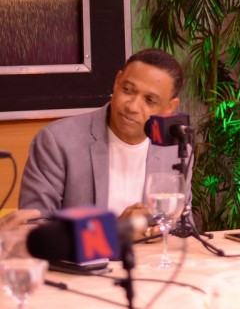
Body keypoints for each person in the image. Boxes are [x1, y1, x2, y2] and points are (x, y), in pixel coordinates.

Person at [19, 48, 190, 231]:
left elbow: (184, 227)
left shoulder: (176, 150)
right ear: (117, 81)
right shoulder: (58, 141)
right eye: (128, 90)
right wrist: (114, 232)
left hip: (153, 251)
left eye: (149, 100)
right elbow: (34, 230)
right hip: (84, 251)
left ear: (169, 107)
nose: (132, 106)